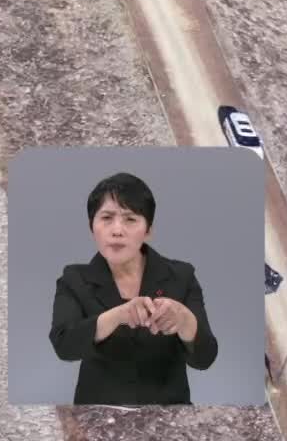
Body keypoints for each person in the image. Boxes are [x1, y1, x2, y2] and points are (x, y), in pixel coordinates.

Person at [49, 172, 218, 404]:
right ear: (92, 227)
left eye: (130, 219)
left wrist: (185, 321)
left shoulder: (181, 276)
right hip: (98, 416)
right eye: (106, 218)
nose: (117, 230)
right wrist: (118, 315)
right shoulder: (74, 278)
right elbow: (64, 346)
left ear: (148, 230)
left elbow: (205, 358)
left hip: (169, 418)